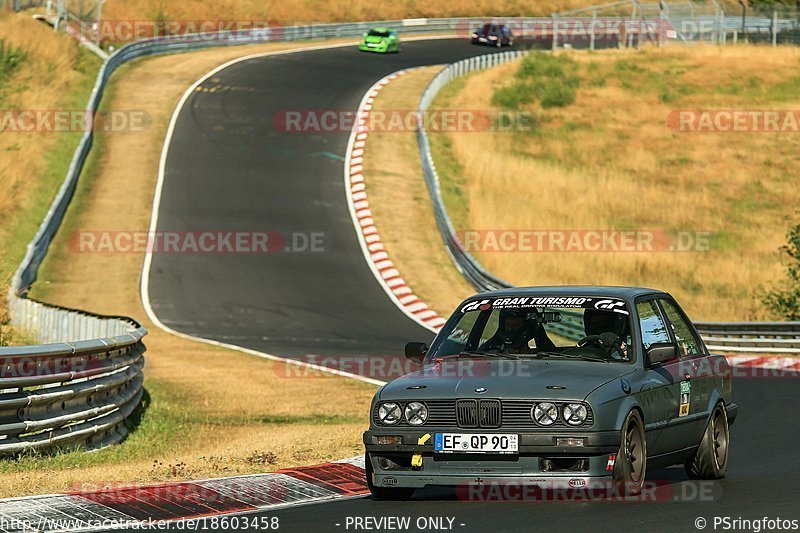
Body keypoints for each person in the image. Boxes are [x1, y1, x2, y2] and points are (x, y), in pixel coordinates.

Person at [479, 308, 556, 354]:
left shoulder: (544, 359)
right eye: (508, 324)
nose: (511, 329)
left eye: (516, 324)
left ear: (528, 327)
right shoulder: (489, 355)